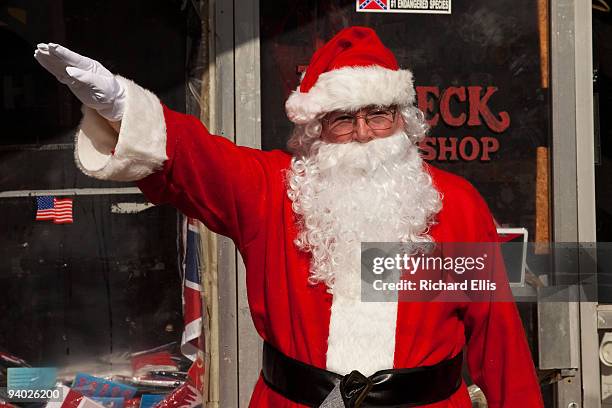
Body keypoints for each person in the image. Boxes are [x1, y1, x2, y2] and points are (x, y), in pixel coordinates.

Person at [35, 26, 544, 407]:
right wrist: (123, 106)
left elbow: (496, 336)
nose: (364, 133)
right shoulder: (274, 190)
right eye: (344, 119)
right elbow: (196, 159)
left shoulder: (454, 204)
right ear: (316, 130)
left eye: (377, 115)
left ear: (402, 121)